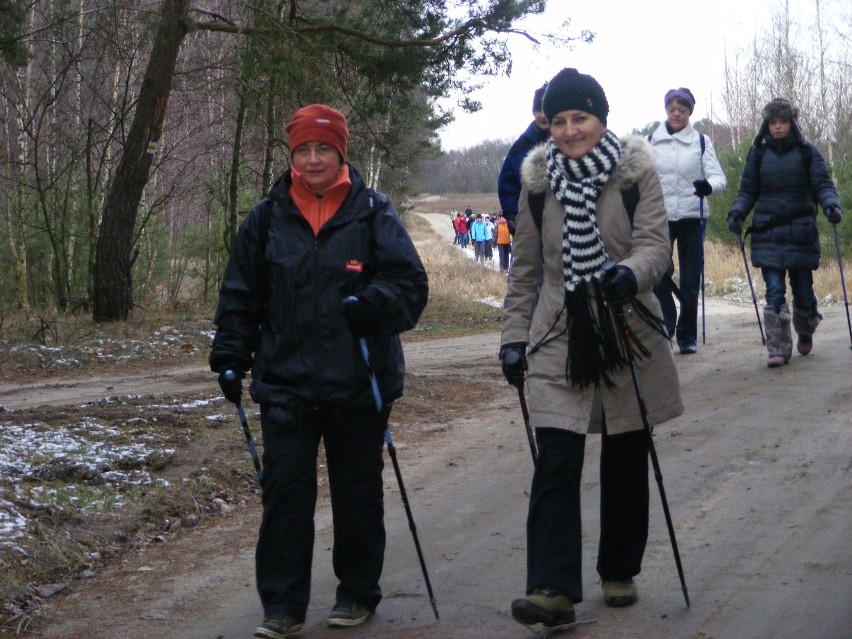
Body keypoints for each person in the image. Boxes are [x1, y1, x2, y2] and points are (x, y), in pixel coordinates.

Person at [209, 104, 429, 639]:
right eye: (303, 150)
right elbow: (241, 295)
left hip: (360, 381)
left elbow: (410, 287)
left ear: (341, 154)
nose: (312, 159)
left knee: (357, 493)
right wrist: (231, 354)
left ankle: (356, 593)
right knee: (285, 494)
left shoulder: (373, 211)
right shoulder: (265, 219)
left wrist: (372, 303)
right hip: (286, 381)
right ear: (292, 155)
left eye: (323, 149)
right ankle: (282, 606)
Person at [499, 68, 683, 629]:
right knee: (557, 456)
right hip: (559, 335)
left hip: (628, 327)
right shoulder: (536, 186)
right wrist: (512, 341)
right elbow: (526, 272)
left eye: (580, 118)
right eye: (559, 120)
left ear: (601, 119)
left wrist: (631, 273)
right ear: (546, 125)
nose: (571, 130)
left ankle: (619, 569)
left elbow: (655, 245)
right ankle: (552, 586)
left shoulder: (635, 175)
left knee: (626, 451)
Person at [727, 97, 842, 367]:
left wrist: (831, 205)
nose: (778, 127)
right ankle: (777, 347)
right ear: (766, 125)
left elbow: (823, 184)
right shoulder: (758, 154)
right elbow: (747, 191)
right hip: (768, 231)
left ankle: (805, 328)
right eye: (773, 122)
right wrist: (737, 213)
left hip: (801, 231)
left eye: (783, 122)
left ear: (792, 123)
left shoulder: (807, 152)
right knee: (774, 291)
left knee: (803, 291)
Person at [648, 87, 727, 354]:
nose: (676, 113)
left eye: (682, 109)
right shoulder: (651, 142)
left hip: (694, 216)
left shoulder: (701, 142)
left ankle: (686, 337)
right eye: (672, 109)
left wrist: (708, 186)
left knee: (691, 280)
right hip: (660, 216)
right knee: (658, 273)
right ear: (666, 110)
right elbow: (640, 178)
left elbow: (719, 179)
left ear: (690, 112)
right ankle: (668, 320)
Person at [498, 82, 551, 233]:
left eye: (545, 110)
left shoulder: (568, 141)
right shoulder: (521, 146)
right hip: (529, 225)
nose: (542, 115)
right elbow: (507, 183)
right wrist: (511, 215)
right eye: (537, 110)